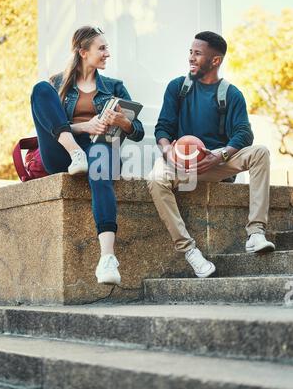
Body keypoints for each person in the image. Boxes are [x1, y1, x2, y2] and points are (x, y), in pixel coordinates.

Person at [147, 31, 275, 279]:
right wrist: (167, 151)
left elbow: (243, 133)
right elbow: (163, 128)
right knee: (154, 179)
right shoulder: (177, 88)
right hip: (180, 162)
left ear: (215, 60)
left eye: (197, 54)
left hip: (217, 161)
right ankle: (189, 250)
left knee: (260, 152)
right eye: (190, 52)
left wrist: (221, 156)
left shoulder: (231, 94)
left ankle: (256, 232)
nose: (191, 58)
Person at [31, 26, 144, 285]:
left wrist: (122, 122)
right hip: (64, 152)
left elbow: (137, 132)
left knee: (101, 156)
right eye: (101, 48)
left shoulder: (115, 87)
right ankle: (76, 155)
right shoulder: (56, 85)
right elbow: (47, 126)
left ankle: (107, 258)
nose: (107, 53)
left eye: (107, 48)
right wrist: (84, 126)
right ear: (83, 52)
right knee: (39, 89)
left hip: (99, 147)